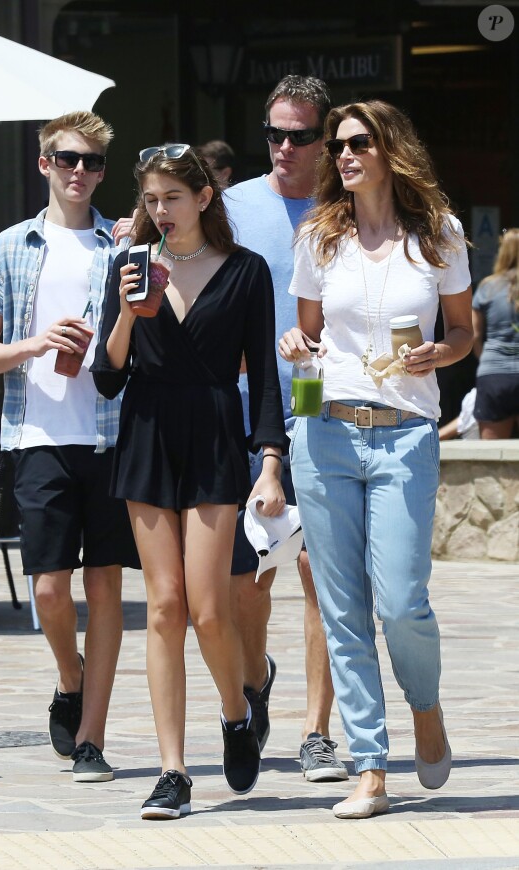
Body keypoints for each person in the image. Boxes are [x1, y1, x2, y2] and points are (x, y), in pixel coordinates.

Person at [279, 99, 473, 818]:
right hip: (325, 431)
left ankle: (425, 707)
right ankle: (369, 765)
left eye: (358, 142)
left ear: (391, 147)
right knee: (342, 608)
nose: (343, 154)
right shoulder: (319, 236)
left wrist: (439, 353)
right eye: (337, 145)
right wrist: (294, 359)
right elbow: (302, 337)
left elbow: (462, 334)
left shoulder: (439, 234)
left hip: (406, 432)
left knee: (399, 600)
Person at [91, 143, 287, 820]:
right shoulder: (129, 268)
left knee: (209, 608)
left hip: (211, 437)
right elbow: (106, 375)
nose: (160, 211)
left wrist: (270, 462)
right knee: (165, 606)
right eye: (150, 200)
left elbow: (264, 376)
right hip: (145, 434)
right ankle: (172, 770)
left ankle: (237, 712)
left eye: (172, 197)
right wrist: (125, 314)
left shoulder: (246, 271)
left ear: (204, 198)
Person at [0, 110, 139, 785]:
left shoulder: (121, 245)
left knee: (106, 588)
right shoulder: (10, 246)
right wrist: (36, 344)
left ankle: (91, 736)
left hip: (111, 436)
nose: (79, 172)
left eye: (92, 162)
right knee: (47, 588)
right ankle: (69, 679)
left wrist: (145, 246)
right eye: (67, 159)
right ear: (44, 164)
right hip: (36, 435)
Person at [223, 74, 348, 783]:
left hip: (329, 404)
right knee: (249, 579)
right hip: (247, 413)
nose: (284, 147)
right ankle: (255, 673)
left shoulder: (348, 208)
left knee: (319, 571)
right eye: (274, 133)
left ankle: (316, 731)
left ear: (325, 141)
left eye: (300, 135)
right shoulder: (234, 207)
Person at [472, 228, 519, 439]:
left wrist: (486, 360)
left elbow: (474, 335)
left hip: (493, 374)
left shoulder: (487, 287)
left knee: (491, 455)